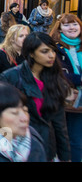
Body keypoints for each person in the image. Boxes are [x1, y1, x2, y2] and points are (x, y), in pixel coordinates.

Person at [0, 32, 71, 161]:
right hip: (17, 147)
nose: (51, 55)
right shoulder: (11, 77)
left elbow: (60, 124)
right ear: (31, 53)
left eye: (53, 51)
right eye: (45, 51)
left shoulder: (55, 80)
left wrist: (65, 157)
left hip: (44, 147)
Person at [50, 13, 82, 162]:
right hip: (63, 98)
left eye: (75, 24)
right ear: (60, 28)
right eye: (67, 24)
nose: (72, 27)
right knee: (66, 137)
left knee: (76, 139)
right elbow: (56, 72)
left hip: (79, 101)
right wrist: (78, 78)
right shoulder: (55, 47)